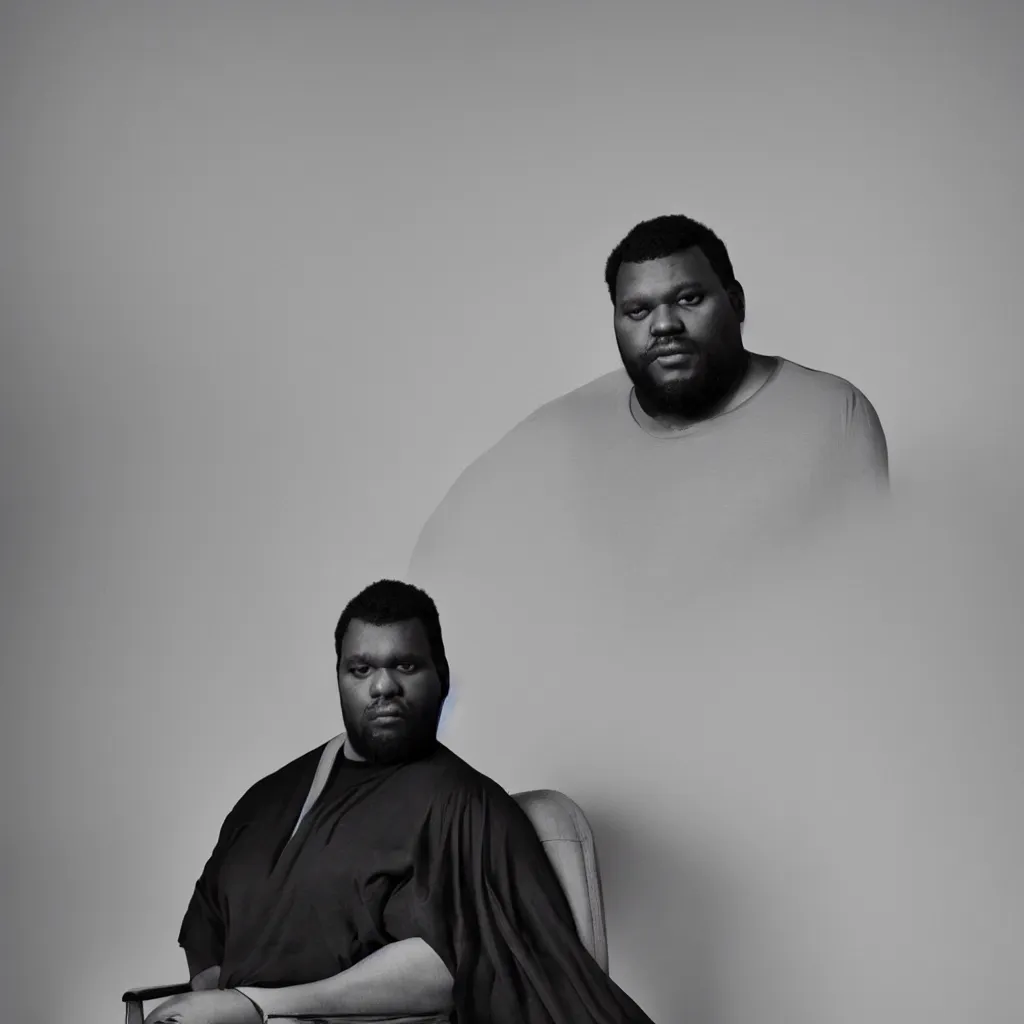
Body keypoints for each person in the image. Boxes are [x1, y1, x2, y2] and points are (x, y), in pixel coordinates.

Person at [144, 580, 656, 1024]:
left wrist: (255, 1006)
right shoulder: (262, 802)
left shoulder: (465, 807)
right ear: (340, 678)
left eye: (405, 665)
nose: (383, 686)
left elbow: (451, 965)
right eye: (361, 669)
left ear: (442, 675)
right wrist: (209, 1010)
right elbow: (209, 934)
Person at [408, 213, 889, 605]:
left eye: (689, 298)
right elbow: (444, 551)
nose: (664, 325)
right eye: (638, 311)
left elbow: (868, 594)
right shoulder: (567, 428)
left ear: (736, 302)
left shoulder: (829, 412)